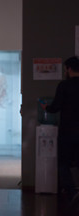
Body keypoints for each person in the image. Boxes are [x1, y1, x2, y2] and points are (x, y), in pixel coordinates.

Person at [41, 56, 79, 198]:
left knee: (64, 162)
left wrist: (46, 107)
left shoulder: (64, 85)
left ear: (68, 69)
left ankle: (70, 191)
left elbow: (55, 107)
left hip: (68, 131)